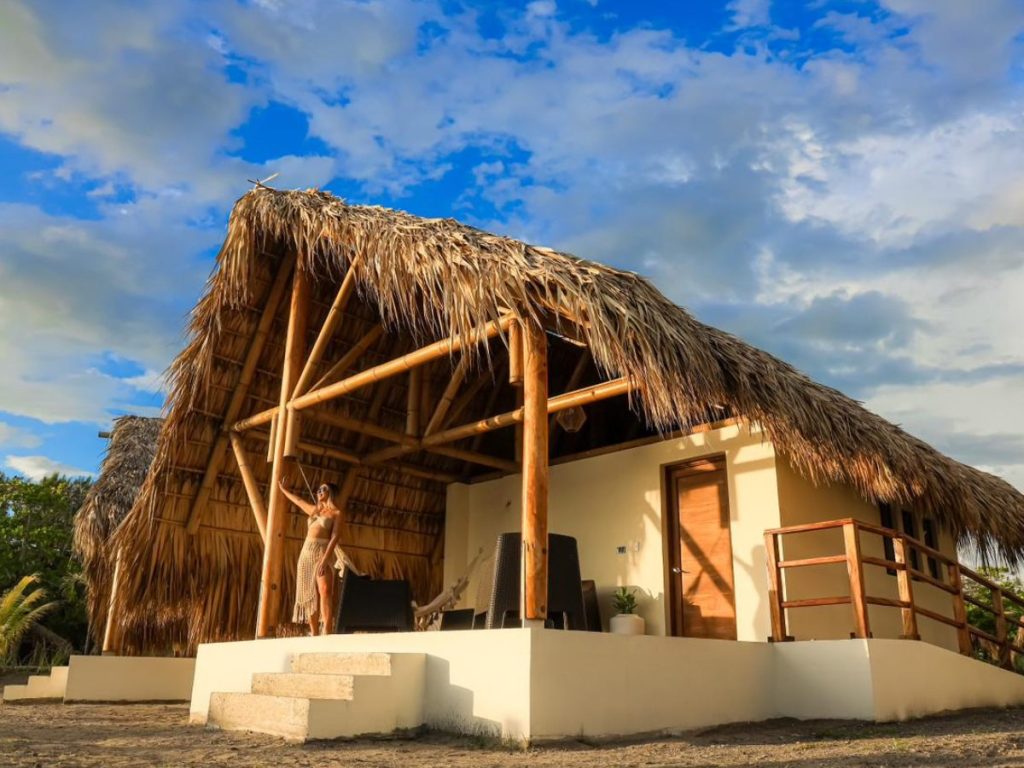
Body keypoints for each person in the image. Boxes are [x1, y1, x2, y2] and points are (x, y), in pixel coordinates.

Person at [277, 479, 349, 636]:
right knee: (308, 593)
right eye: (318, 489)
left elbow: (335, 537)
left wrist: (325, 559)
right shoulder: (314, 511)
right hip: (306, 553)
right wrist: (284, 490)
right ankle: (314, 631)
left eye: (323, 489)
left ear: (331, 492)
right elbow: (298, 501)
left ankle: (327, 630)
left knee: (324, 589)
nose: (319, 491)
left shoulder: (337, 513)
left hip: (322, 551)